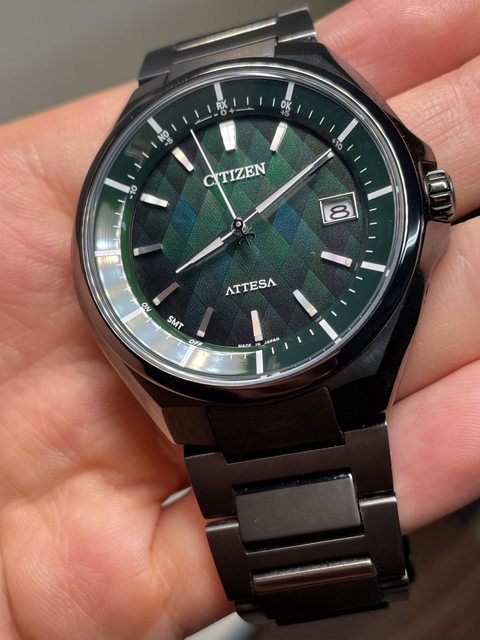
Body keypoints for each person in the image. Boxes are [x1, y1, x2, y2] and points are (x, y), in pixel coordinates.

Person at [0, 0, 479, 637]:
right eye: (233, 227)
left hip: (337, 370)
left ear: (430, 197)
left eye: (242, 227)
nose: (239, 228)